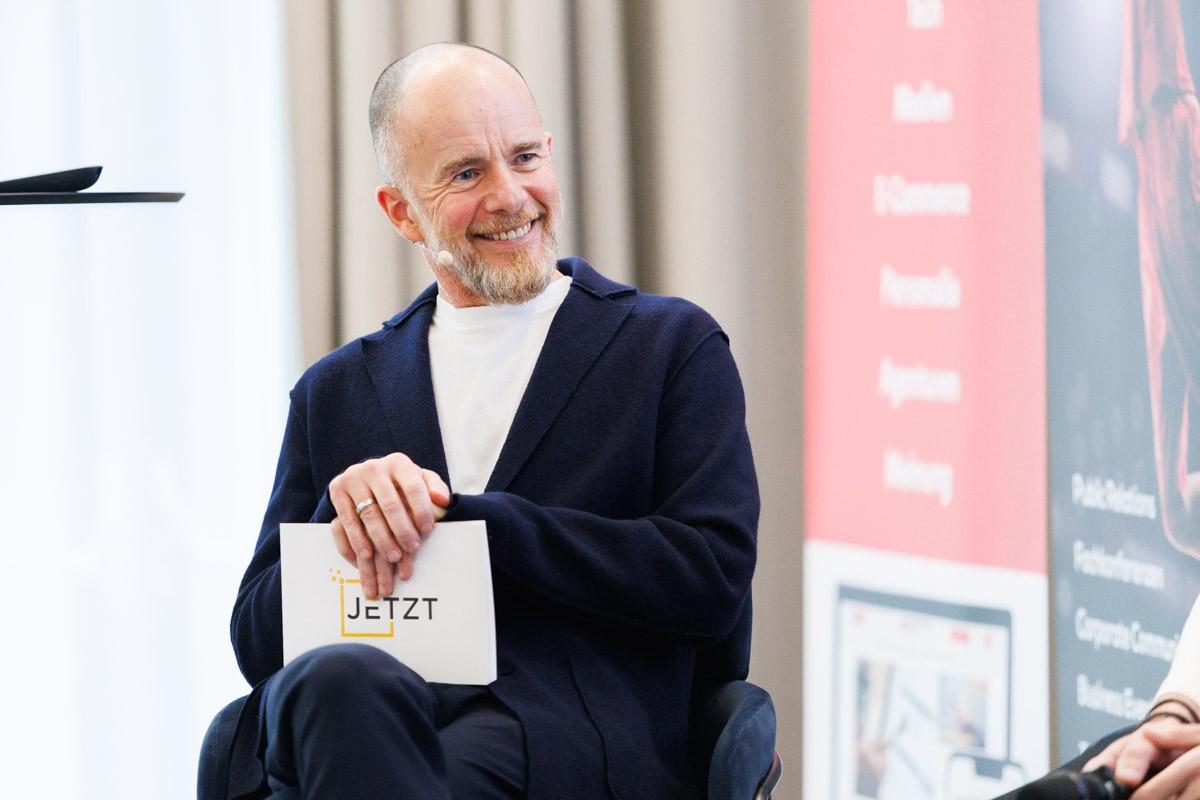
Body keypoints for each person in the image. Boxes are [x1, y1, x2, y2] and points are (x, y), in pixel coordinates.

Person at [225, 42, 759, 799]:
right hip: (358, 718)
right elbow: (258, 645)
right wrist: (347, 519)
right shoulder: (336, 391)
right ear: (402, 212)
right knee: (337, 681)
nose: (511, 196)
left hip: (558, 733)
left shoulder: (668, 347)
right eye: (467, 173)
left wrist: (473, 522)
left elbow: (709, 583)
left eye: (525, 157)